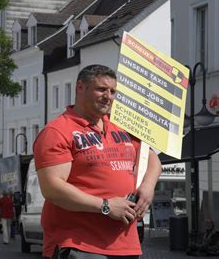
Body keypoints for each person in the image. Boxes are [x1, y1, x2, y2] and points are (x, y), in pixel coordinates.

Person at [33, 64, 162, 258]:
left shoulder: (121, 127)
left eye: (112, 91)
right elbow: (52, 188)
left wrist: (148, 187)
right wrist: (106, 206)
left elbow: (152, 158)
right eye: (101, 89)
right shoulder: (57, 131)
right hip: (79, 245)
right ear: (80, 87)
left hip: (125, 245)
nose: (108, 96)